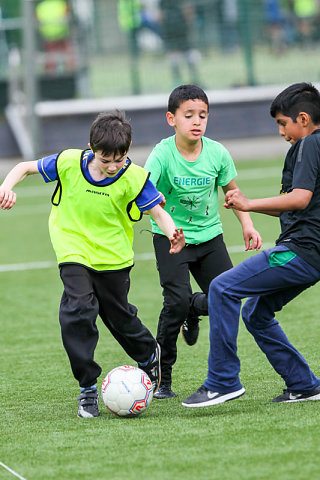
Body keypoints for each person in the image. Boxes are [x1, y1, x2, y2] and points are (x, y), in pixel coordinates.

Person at [0, 111, 185, 418]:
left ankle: (148, 353)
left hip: (113, 258)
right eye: (106, 159)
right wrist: (7, 185)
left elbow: (158, 212)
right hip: (72, 249)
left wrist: (172, 233)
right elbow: (24, 167)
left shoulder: (133, 177)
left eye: (120, 158)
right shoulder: (69, 163)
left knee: (120, 319)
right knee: (77, 311)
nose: (113, 166)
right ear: (91, 148)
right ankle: (87, 387)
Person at [182, 82, 320, 408]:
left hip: (299, 252)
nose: (281, 131)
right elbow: (291, 202)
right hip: (311, 255)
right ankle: (303, 384)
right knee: (257, 312)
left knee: (222, 288)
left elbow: (300, 199)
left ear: (302, 118)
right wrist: (246, 205)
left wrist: (250, 201)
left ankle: (222, 381)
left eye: (282, 123)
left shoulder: (309, 146)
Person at [144, 84, 262, 399]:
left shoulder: (217, 153)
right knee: (174, 303)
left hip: (210, 238)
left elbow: (233, 193)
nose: (197, 121)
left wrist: (247, 224)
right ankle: (162, 379)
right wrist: (167, 226)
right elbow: (145, 195)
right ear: (171, 118)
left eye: (203, 115)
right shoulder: (161, 154)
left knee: (229, 298)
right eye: (189, 115)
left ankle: (192, 311)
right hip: (171, 240)